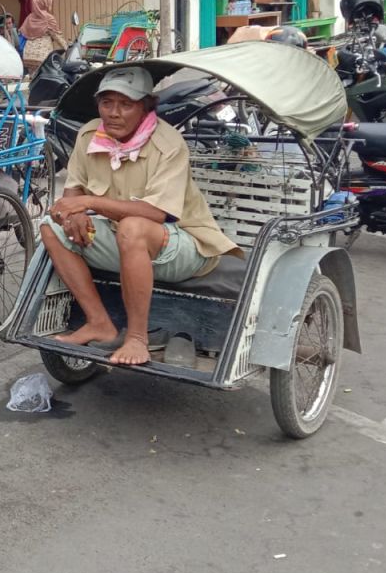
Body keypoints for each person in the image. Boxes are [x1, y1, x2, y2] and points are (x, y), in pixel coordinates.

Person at [40, 65, 240, 366]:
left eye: (126, 104)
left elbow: (156, 213)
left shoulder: (167, 143)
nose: (114, 113)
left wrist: (87, 202)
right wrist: (73, 215)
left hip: (184, 247)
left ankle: (137, 338)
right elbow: (73, 188)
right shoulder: (89, 134)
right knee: (50, 228)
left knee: (133, 227)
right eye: (107, 103)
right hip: (125, 240)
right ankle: (99, 322)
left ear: (146, 107)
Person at [18, 0, 67, 73]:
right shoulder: (48, 18)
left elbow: (22, 33)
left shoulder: (29, 18)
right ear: (45, 3)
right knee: (46, 79)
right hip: (43, 57)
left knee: (33, 79)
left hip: (28, 57)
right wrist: (67, 48)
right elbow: (57, 36)